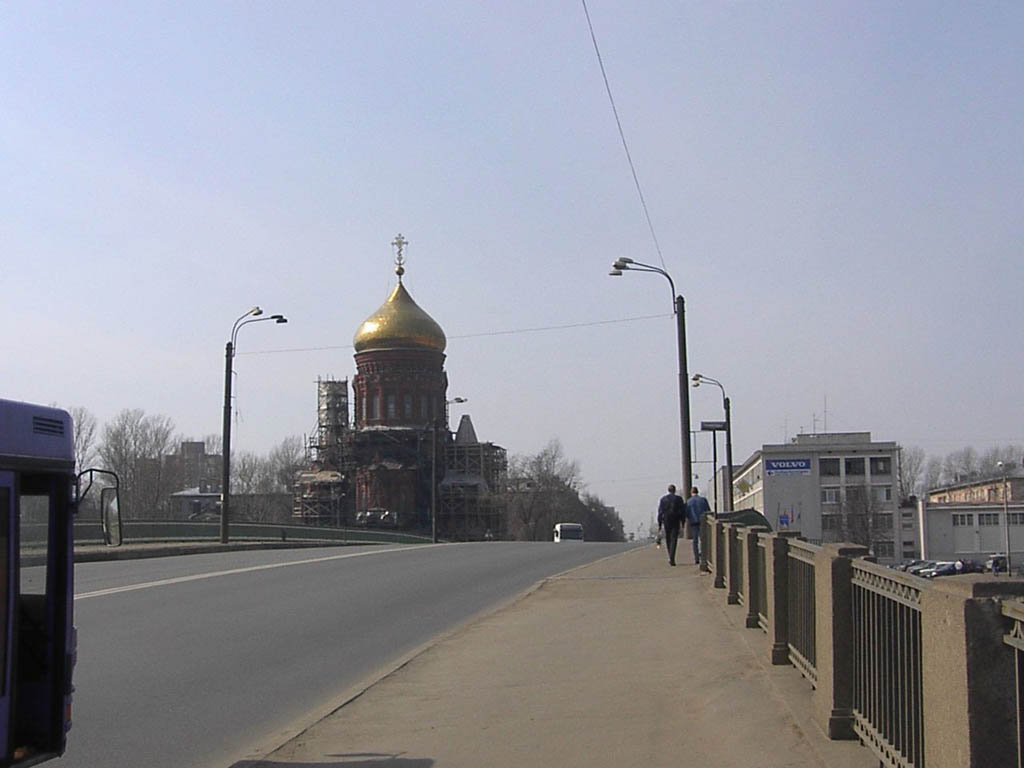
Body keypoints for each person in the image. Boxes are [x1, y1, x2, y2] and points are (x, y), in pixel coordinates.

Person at [656, 484, 686, 566]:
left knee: (668, 539)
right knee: (674, 539)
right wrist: (683, 522)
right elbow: (682, 511)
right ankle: (672, 557)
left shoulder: (663, 499)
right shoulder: (679, 499)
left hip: (666, 520)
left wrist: (659, 523)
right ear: (674, 490)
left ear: (668, 490)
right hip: (675, 520)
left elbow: (660, 512)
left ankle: (670, 555)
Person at [685, 486, 711, 565]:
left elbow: (686, 513)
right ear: (698, 492)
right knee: (703, 540)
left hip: (693, 523)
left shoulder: (688, 502)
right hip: (703, 522)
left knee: (695, 541)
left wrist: (689, 519)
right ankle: (703, 556)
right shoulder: (703, 500)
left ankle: (696, 558)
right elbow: (708, 511)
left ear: (691, 492)